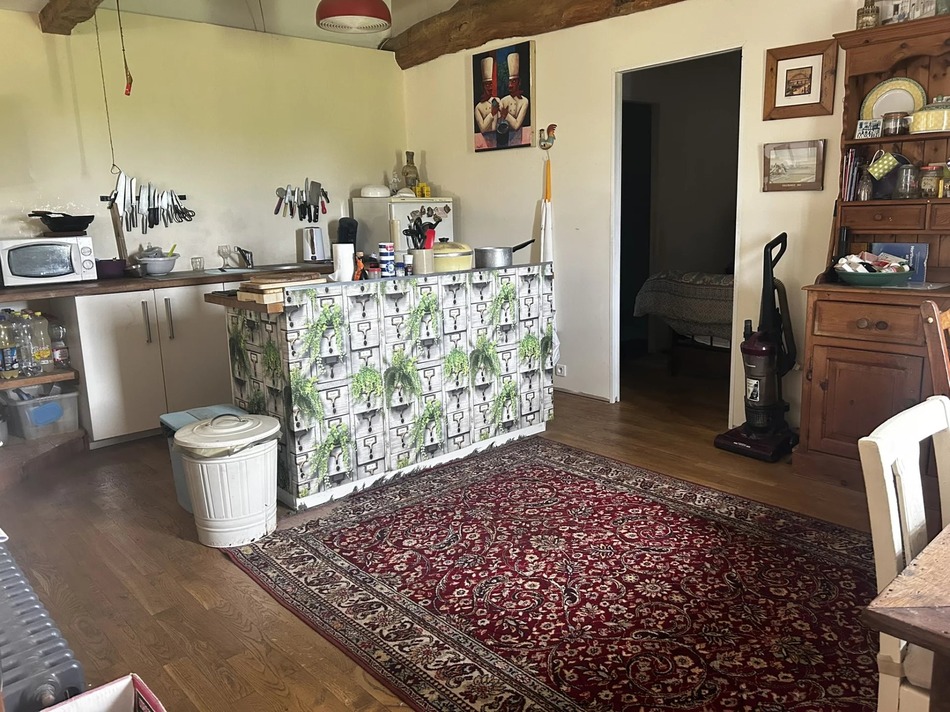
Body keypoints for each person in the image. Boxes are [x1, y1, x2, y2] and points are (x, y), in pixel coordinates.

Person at [499, 52, 530, 145]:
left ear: (519, 82)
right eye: (509, 82)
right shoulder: (503, 100)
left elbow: (516, 125)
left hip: (519, 139)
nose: (510, 85)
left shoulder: (524, 101)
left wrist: (506, 114)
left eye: (513, 81)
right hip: (503, 140)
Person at [474, 56, 499, 149]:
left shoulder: (497, 101)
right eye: (487, 85)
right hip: (485, 144)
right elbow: (483, 129)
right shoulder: (478, 107)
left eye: (491, 84)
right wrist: (491, 114)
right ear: (483, 86)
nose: (490, 87)